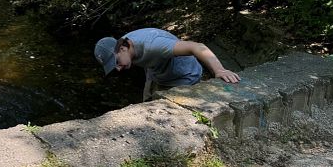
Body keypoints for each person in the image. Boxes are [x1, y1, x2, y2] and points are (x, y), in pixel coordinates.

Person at [94, 28, 240, 101]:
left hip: (183, 76)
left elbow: (197, 46)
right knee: (147, 107)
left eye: (117, 63)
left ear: (122, 48)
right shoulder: (125, 47)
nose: (118, 69)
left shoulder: (154, 45)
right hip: (156, 73)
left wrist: (219, 70)